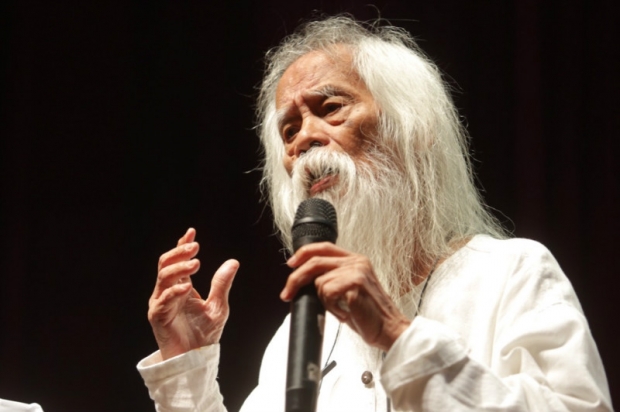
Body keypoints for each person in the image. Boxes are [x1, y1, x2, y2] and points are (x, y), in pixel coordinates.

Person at [137, 16, 612, 411]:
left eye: (332, 108)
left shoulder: (511, 273)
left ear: (413, 128)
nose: (304, 139)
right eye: (289, 129)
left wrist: (396, 335)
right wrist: (188, 366)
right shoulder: (298, 336)